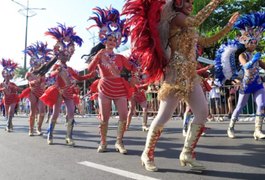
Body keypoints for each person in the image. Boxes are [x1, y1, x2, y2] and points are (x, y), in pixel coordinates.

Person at [123, 0, 239, 171]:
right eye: (186, 1)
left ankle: (187, 153)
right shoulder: (176, 18)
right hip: (175, 74)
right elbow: (195, 21)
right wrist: (215, 2)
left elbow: (206, 41)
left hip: (191, 75)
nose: (190, 5)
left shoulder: (190, 26)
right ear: (177, 3)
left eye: (192, 2)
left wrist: (228, 27)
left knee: (202, 112)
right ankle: (147, 153)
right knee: (163, 116)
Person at [87, 7, 136, 154]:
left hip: (119, 87)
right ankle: (103, 143)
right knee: (105, 117)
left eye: (115, 39)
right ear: (104, 39)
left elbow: (133, 67)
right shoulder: (100, 55)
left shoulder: (121, 57)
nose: (112, 41)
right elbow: (90, 70)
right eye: (109, 39)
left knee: (123, 114)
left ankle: (119, 142)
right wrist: (97, 56)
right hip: (104, 88)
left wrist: (134, 77)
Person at [39, 23, 94, 146]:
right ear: (59, 54)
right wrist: (56, 72)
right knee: (55, 113)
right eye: (64, 54)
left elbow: (79, 77)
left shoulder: (69, 69)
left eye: (67, 55)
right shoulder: (57, 66)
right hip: (58, 91)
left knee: (71, 112)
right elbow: (50, 74)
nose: (66, 56)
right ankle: (50, 134)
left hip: (68, 92)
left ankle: (68, 136)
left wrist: (90, 74)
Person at [222, 12, 265, 140]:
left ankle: (258, 130)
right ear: (246, 43)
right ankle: (231, 127)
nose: (254, 45)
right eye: (251, 42)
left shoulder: (256, 55)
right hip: (246, 84)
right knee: (239, 107)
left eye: (255, 42)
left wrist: (258, 60)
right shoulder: (243, 55)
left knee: (262, 105)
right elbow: (246, 66)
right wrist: (252, 61)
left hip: (257, 83)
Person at [20, 41, 52, 136]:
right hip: (32, 92)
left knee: (42, 111)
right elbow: (30, 82)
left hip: (41, 93)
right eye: (36, 62)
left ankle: (38, 128)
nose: (38, 64)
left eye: (40, 62)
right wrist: (35, 81)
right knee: (33, 111)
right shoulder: (29, 73)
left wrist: (41, 80)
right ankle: (31, 129)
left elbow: (43, 83)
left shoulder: (43, 74)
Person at [0, 58, 19, 132]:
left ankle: (8, 126)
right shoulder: (1, 84)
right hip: (6, 99)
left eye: (8, 75)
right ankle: (10, 123)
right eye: (6, 75)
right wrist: (3, 89)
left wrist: (14, 88)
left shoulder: (13, 84)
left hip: (13, 98)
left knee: (11, 111)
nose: (7, 76)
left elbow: (17, 89)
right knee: (8, 113)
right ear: (4, 76)